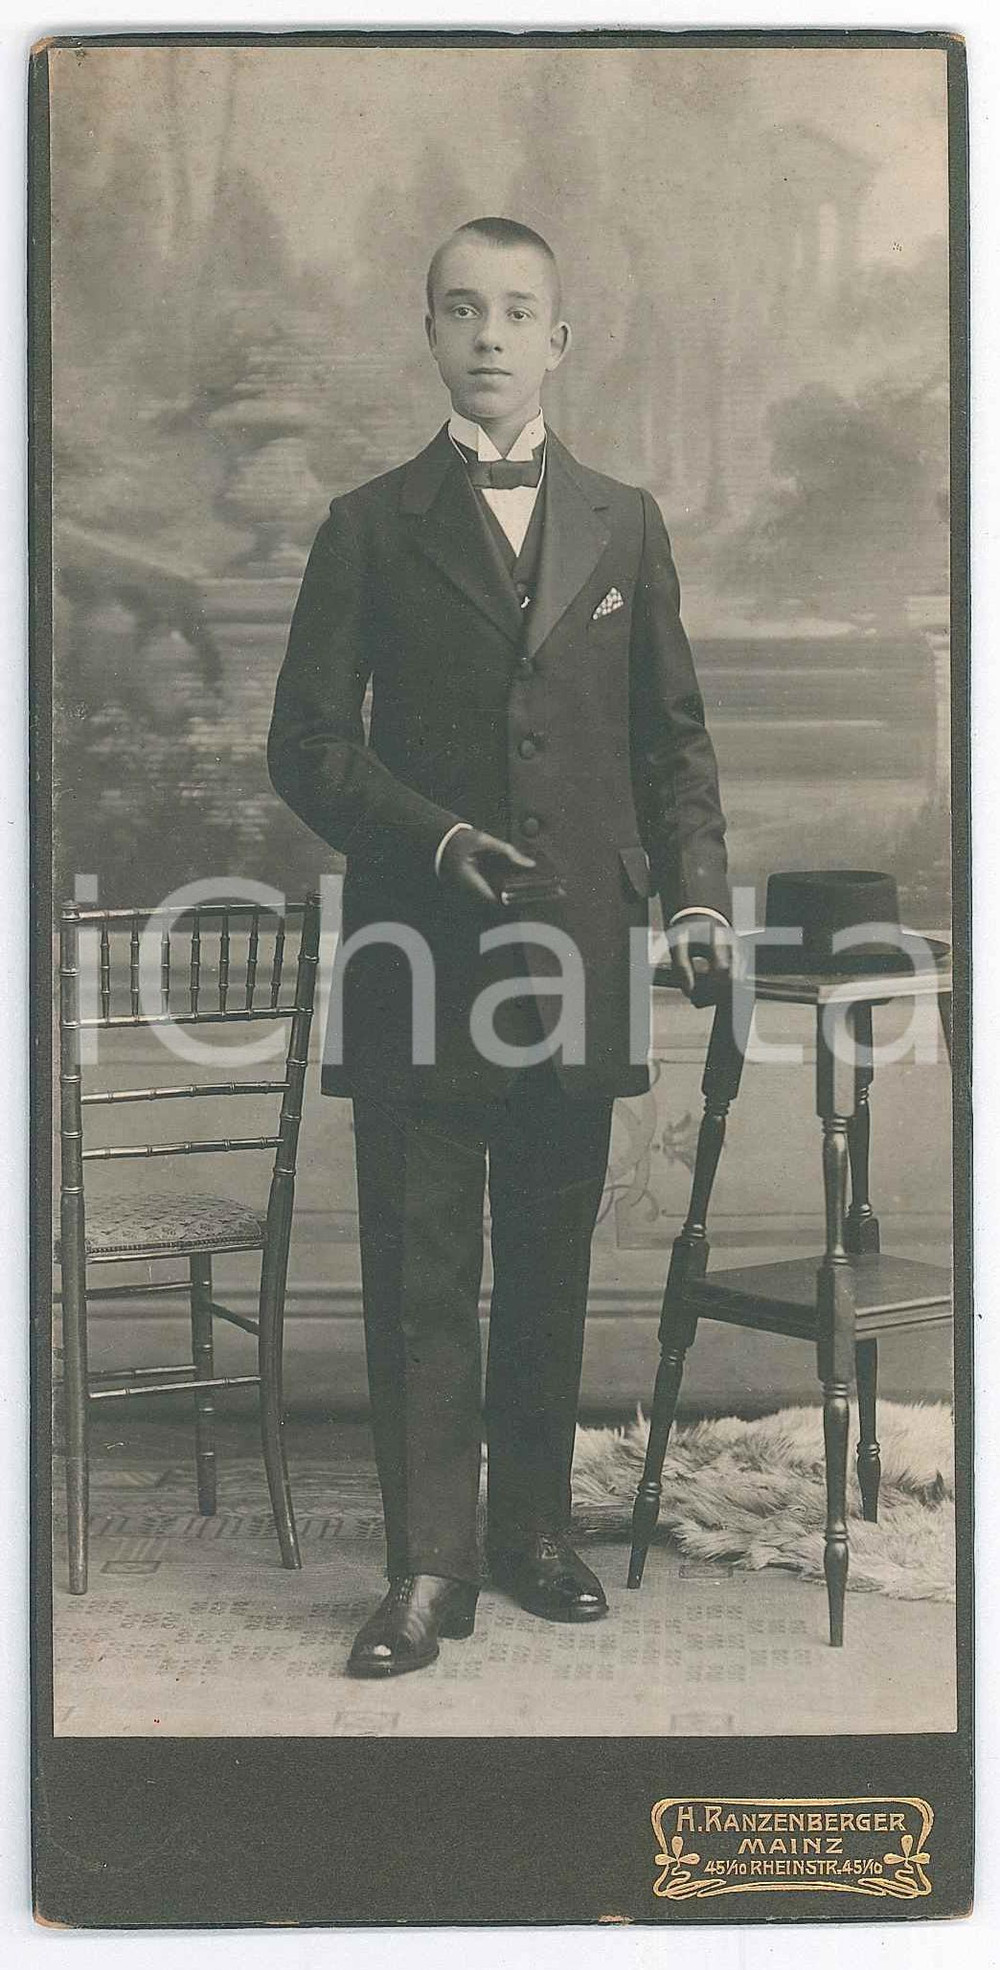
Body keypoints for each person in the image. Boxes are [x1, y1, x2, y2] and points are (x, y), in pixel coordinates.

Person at [267, 217, 732, 1678]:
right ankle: (426, 1569)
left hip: (580, 961)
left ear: (559, 340)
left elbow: (674, 749)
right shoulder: (367, 524)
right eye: (461, 309)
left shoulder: (628, 522)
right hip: (419, 956)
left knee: (544, 1260)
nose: (488, 335)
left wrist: (699, 897)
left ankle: (533, 1532)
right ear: (429, 333)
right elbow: (306, 747)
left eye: (516, 311)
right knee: (420, 1270)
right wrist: (439, 838)